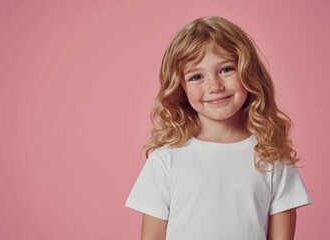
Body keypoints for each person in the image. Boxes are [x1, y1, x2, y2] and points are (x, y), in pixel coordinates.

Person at [125, 16, 312, 240]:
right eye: (197, 76)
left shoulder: (272, 155)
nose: (214, 86)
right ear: (180, 87)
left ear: (248, 71)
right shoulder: (166, 159)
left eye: (226, 69)